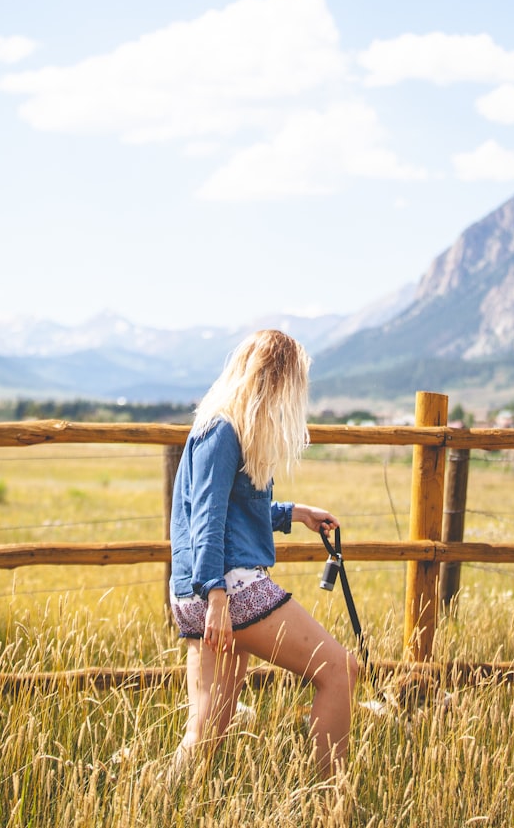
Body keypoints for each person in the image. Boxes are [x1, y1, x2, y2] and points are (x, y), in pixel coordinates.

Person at [168, 328, 358, 779]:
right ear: (274, 380)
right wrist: (216, 596)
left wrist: (296, 513)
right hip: (226, 590)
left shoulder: (219, 427)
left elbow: (233, 510)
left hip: (203, 592)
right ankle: (327, 804)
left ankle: (152, 802)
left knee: (207, 730)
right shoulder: (224, 431)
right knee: (340, 671)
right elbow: (207, 520)